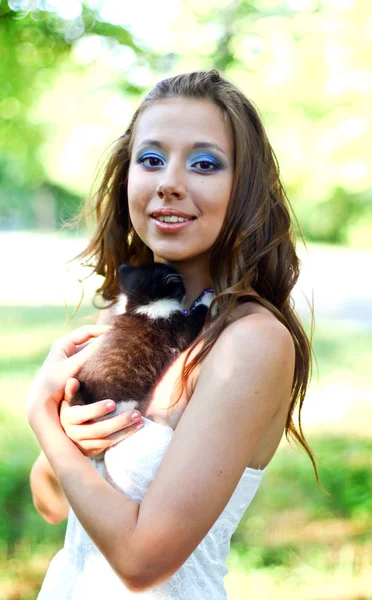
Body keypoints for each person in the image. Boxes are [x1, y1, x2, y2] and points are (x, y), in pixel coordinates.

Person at [28, 70, 319, 599]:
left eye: (204, 163)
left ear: (245, 189)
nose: (169, 181)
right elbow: (53, 504)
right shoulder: (125, 318)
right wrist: (64, 432)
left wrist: (39, 418)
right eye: (152, 159)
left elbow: (143, 564)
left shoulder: (249, 342)